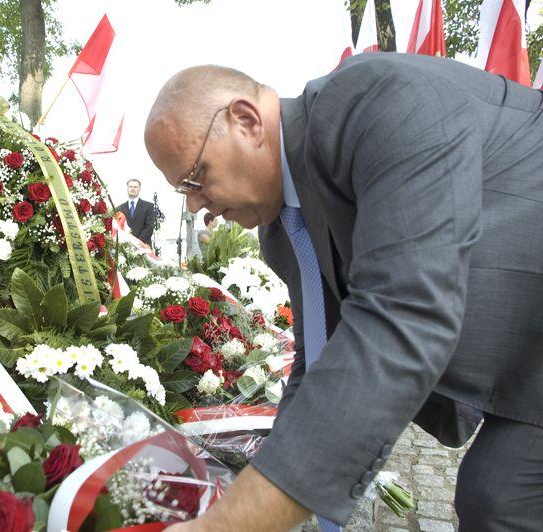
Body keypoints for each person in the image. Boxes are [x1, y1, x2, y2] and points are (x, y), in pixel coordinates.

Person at [144, 54, 543, 531]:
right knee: (498, 496)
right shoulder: (282, 232)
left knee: (501, 497)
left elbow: (401, 316)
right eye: (182, 191)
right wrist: (249, 485)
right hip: (527, 354)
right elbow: (320, 360)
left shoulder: (379, 102)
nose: (194, 204)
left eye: (195, 177)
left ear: (246, 121)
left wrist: (227, 525)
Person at [116, 178, 156, 246]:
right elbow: (118, 229)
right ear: (127, 188)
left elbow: (149, 228)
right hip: (125, 247)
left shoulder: (148, 206)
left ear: (139, 189)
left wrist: (136, 243)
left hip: (143, 246)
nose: (132, 189)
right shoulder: (119, 209)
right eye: (130, 186)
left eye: (135, 187)